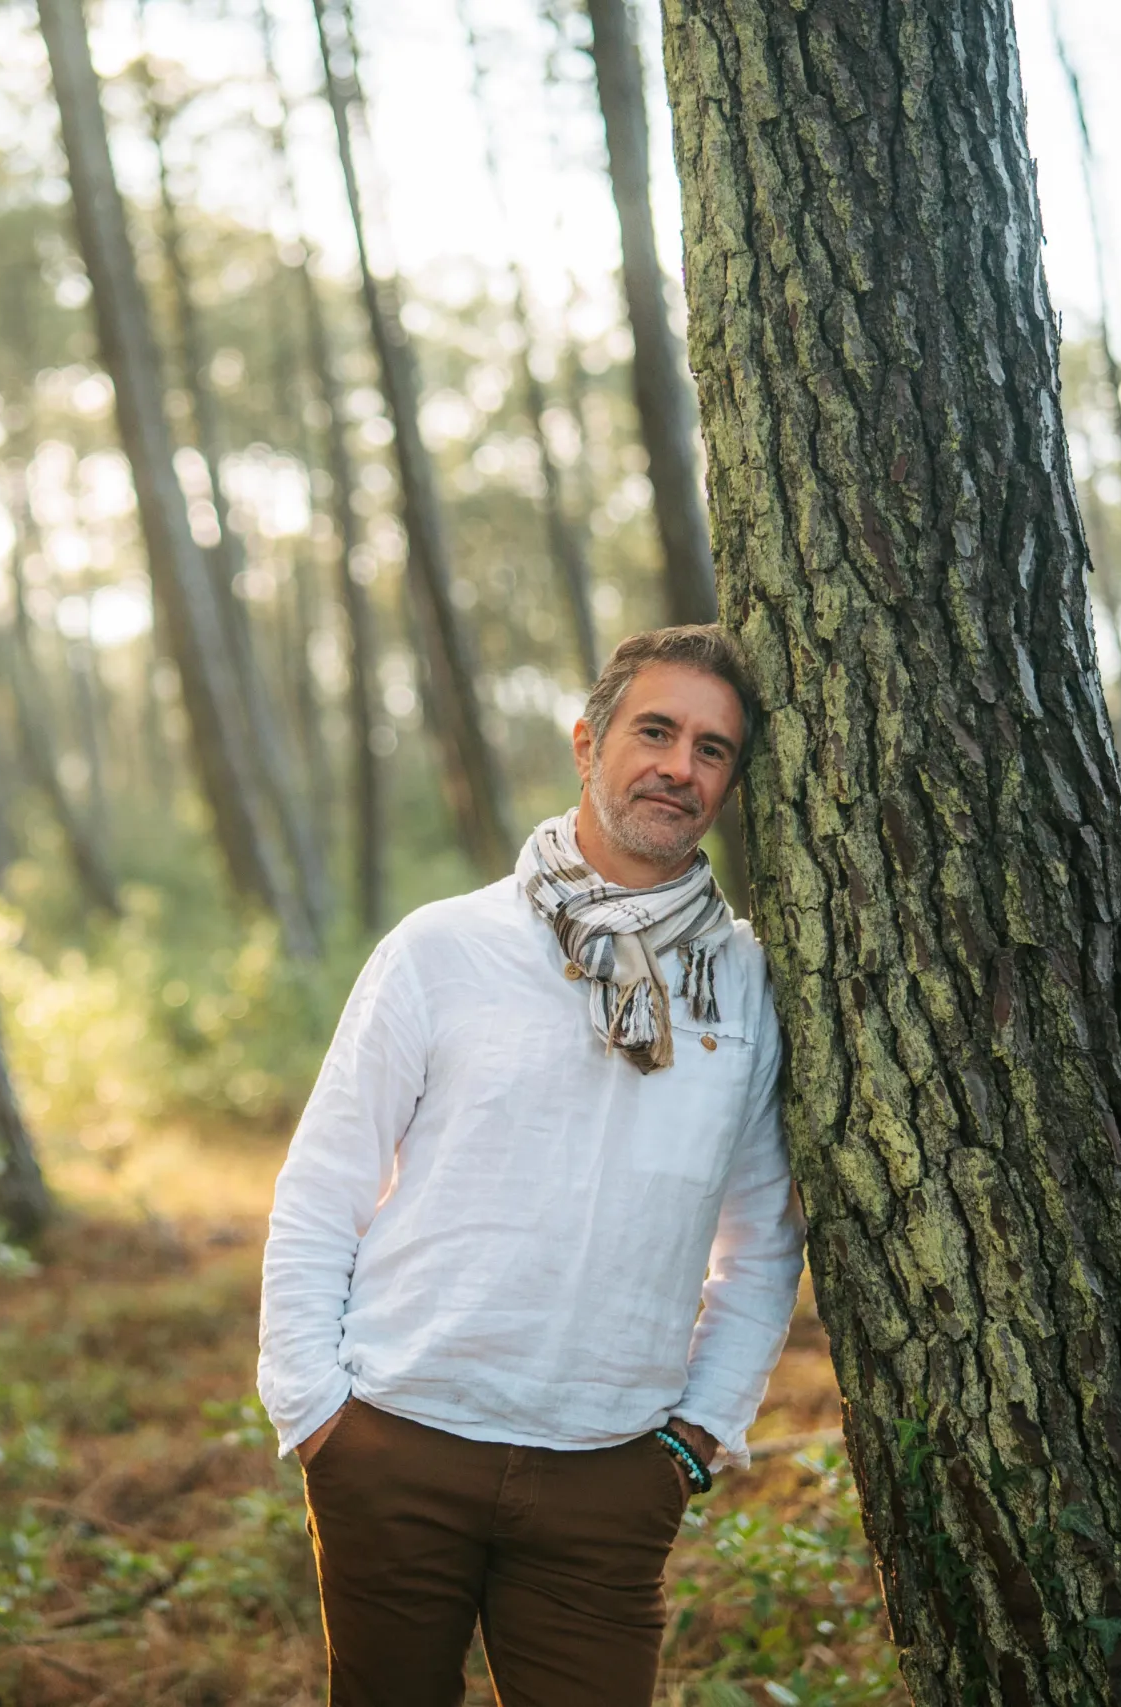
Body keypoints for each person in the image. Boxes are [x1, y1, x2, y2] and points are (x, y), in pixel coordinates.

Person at [257, 624, 806, 1705]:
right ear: (587, 743)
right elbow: (321, 1187)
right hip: (399, 1444)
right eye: (654, 731)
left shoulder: (741, 986)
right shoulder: (443, 948)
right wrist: (318, 1416)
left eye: (711, 750)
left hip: (608, 1476)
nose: (679, 768)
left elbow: (762, 1239)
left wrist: (698, 1435)